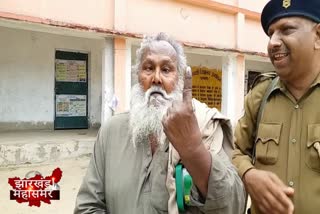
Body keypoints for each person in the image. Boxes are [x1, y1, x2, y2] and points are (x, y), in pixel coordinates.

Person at [74, 32, 245, 214]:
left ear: (179, 79)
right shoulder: (111, 131)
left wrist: (193, 149)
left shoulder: (206, 127)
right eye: (148, 68)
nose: (156, 78)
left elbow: (233, 206)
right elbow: (87, 206)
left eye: (166, 70)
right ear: (138, 76)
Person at [232, 0, 320, 213]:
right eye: (271, 33)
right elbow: (234, 152)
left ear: (318, 36)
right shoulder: (259, 96)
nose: (273, 42)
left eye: (286, 30)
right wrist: (249, 175)